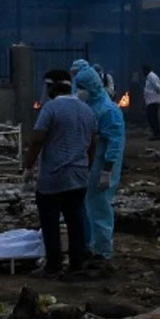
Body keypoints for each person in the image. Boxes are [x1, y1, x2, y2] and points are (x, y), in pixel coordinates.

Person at [23, 69, 96, 276]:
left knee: (50, 221)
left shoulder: (51, 108)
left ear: (51, 87)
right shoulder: (86, 110)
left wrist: (28, 167)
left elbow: (37, 139)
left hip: (53, 177)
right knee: (75, 220)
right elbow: (92, 144)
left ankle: (53, 264)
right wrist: (86, 167)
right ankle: (76, 264)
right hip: (78, 176)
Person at [75, 67, 125, 261]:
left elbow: (114, 142)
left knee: (100, 207)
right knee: (90, 206)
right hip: (93, 165)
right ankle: (92, 245)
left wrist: (107, 171)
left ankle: (103, 250)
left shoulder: (108, 110)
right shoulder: (92, 105)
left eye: (80, 86)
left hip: (103, 166)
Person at [143, 64, 160, 140]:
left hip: (154, 101)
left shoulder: (151, 76)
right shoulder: (149, 77)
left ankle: (157, 134)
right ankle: (156, 133)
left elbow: (157, 86)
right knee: (152, 118)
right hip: (151, 101)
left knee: (153, 118)